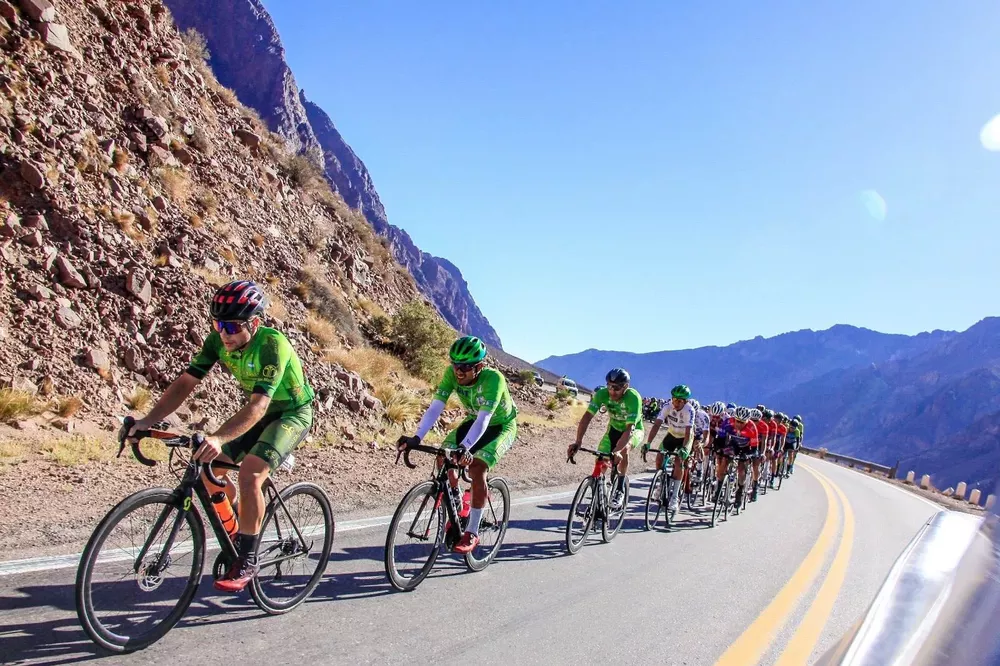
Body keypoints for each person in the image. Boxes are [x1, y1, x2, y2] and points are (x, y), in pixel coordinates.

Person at [126, 280, 315, 592]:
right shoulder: (217, 341)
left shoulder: (272, 344)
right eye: (218, 324)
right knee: (210, 471)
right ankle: (242, 524)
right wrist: (147, 420)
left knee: (250, 474)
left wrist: (217, 438)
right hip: (260, 412)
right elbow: (185, 383)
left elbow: (258, 406)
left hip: (291, 414)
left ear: (254, 324)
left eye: (232, 326)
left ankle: (248, 559)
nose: (225, 333)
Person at [398, 336, 518, 555]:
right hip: (474, 421)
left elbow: (484, 419)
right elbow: (435, 408)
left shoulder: (494, 379)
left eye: (465, 367)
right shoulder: (451, 374)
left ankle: (472, 531)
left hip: (500, 425)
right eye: (455, 365)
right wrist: (416, 438)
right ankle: (457, 502)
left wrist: (465, 447)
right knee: (443, 456)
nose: (458, 371)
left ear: (479, 366)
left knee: (477, 467)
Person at [568, 368, 643, 510]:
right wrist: (578, 441)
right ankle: (599, 496)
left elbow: (630, 429)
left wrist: (618, 450)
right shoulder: (602, 394)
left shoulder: (633, 397)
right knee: (601, 458)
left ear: (625, 387)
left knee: (625, 449)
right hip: (613, 429)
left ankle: (620, 488)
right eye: (609, 386)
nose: (612, 391)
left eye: (617, 388)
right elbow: (587, 417)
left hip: (633, 430)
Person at [643, 384, 695, 514]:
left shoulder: (689, 410)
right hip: (671, 435)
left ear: (685, 401)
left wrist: (684, 448)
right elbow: (656, 425)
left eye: (679, 401)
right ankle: (661, 483)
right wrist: (648, 443)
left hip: (685, 438)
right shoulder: (667, 406)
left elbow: (688, 432)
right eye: (674, 399)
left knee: (678, 461)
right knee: (659, 457)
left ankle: (675, 497)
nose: (675, 403)